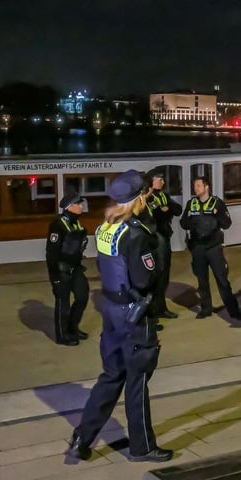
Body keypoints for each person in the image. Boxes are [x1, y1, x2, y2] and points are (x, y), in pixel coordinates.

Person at [68, 169, 173, 463]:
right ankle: (142, 447)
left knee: (111, 376)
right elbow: (144, 279)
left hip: (111, 310)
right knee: (137, 382)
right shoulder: (137, 234)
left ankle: (82, 438)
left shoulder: (105, 227)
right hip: (134, 314)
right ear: (139, 198)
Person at [179, 176, 241, 320]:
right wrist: (191, 220)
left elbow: (227, 224)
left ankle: (234, 311)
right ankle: (206, 309)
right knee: (202, 280)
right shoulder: (191, 204)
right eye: (194, 186)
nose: (195, 189)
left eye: (198, 186)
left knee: (222, 280)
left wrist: (217, 215)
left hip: (214, 248)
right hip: (197, 248)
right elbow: (183, 223)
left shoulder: (217, 203)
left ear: (206, 187)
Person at [46, 190, 89, 346]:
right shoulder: (58, 225)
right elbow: (51, 253)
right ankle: (63, 335)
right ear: (70, 206)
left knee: (82, 297)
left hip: (76, 268)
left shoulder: (76, 223)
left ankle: (73, 328)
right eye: (78, 204)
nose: (81, 207)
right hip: (61, 270)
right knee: (63, 303)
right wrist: (54, 277)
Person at [145, 168, 183, 319]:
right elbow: (157, 216)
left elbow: (178, 209)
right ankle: (153, 310)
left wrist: (166, 209)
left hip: (165, 237)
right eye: (159, 179)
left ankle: (161, 308)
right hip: (155, 239)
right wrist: (165, 210)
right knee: (156, 275)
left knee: (164, 275)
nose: (163, 182)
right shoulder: (148, 197)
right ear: (152, 181)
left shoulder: (163, 195)